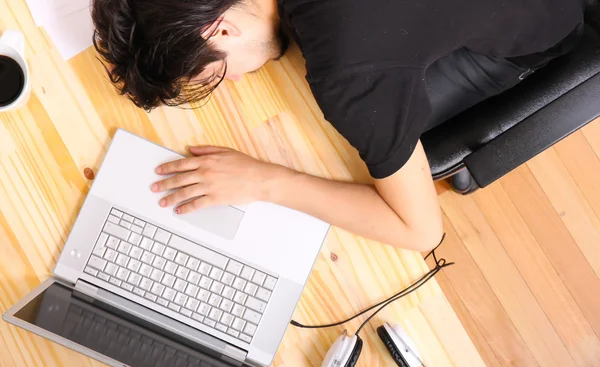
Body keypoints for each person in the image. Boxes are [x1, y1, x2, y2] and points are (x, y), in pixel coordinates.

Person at [91, 0, 584, 251]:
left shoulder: (348, 73)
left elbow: (420, 230)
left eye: (214, 73)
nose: (234, 81)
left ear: (221, 28)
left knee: (389, 145)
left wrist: (263, 180)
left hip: (549, 18)